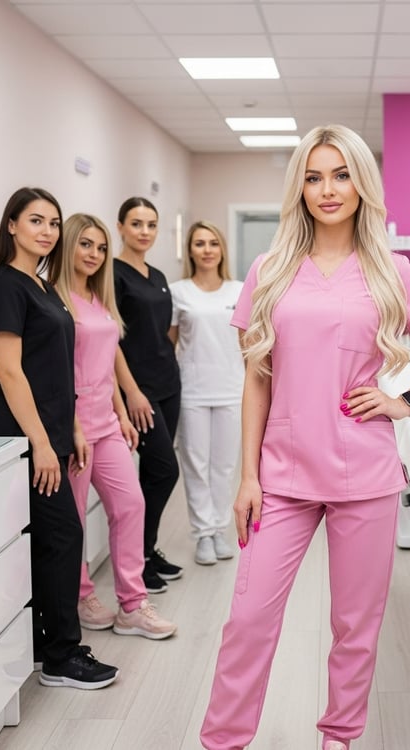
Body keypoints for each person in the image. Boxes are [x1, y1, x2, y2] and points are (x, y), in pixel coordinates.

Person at [199, 124, 410, 750]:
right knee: (247, 620)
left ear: (361, 184)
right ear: (300, 187)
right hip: (282, 474)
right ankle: (222, 742)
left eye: (341, 174)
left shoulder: (391, 270)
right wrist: (247, 476)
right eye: (314, 176)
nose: (327, 189)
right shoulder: (270, 269)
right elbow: (256, 381)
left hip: (363, 473)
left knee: (356, 626)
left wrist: (404, 400)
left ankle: (339, 739)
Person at [0, 187, 118, 689]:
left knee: (50, 542)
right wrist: (39, 441)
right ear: (11, 224)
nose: (47, 231)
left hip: (56, 432)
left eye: (54, 223)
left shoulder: (41, 284)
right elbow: (11, 374)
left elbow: (60, 367)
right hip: (25, 437)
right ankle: (62, 655)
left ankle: (43, 643)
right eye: (35, 220)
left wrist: (73, 427)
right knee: (63, 538)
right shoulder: (4, 288)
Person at [51, 213, 177, 639]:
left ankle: (132, 604)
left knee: (130, 505)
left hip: (106, 423)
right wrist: (72, 427)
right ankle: (81, 594)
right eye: (85, 244)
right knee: (75, 522)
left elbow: (114, 353)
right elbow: (56, 371)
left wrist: (122, 410)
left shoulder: (98, 296)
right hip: (74, 431)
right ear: (67, 245)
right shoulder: (55, 299)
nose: (94, 254)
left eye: (101, 247)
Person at [113, 197, 183, 594]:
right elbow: (111, 340)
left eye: (151, 224)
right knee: (163, 470)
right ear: (120, 226)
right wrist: (131, 393)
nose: (144, 231)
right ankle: (137, 558)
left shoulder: (156, 273)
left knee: (153, 474)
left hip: (167, 383)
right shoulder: (112, 274)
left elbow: (164, 329)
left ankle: (146, 549)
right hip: (138, 390)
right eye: (136, 223)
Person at [169, 221, 244, 566]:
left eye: (213, 242)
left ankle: (219, 530)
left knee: (225, 466)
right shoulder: (178, 291)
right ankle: (202, 534)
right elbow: (168, 346)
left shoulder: (240, 290)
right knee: (196, 465)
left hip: (232, 388)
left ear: (222, 249)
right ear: (190, 250)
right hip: (193, 390)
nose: (207, 249)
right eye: (199, 243)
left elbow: (248, 344)